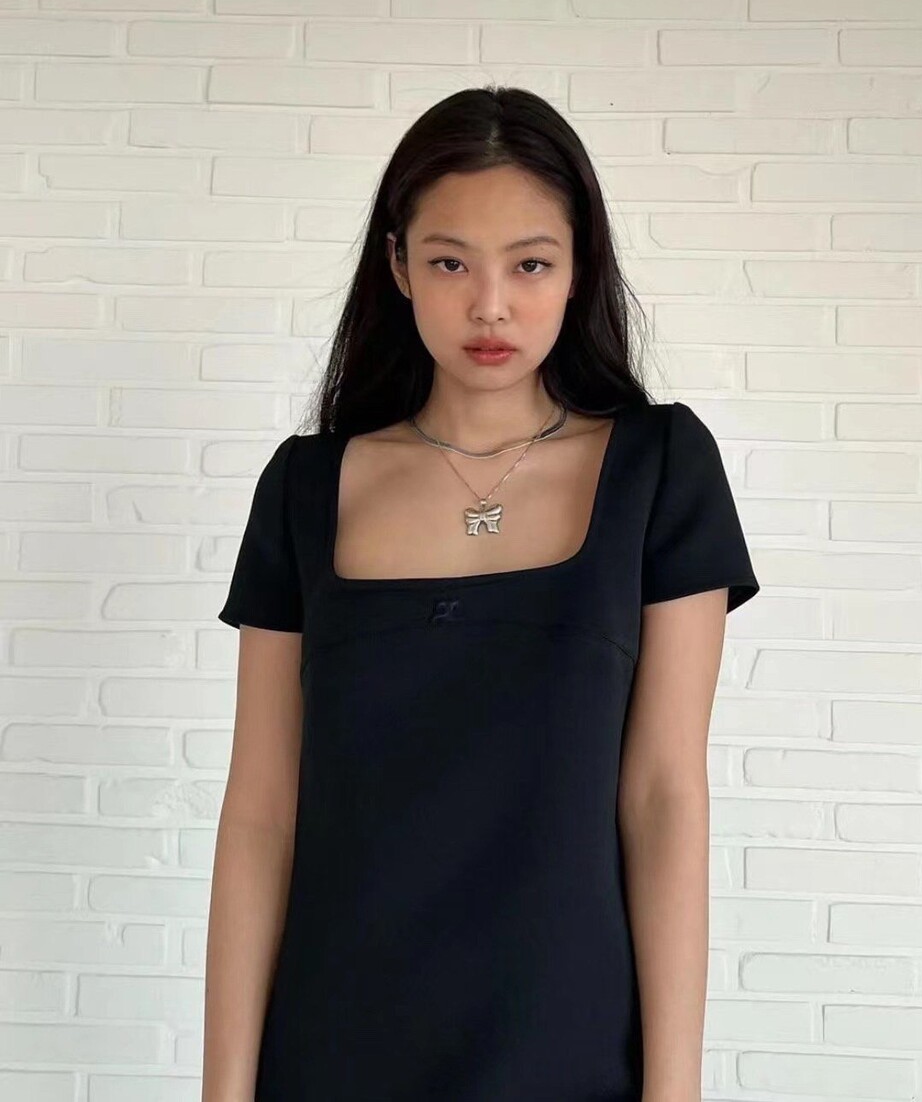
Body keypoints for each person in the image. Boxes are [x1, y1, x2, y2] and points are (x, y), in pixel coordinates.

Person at [202, 85, 760, 1102]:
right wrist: (223, 1092)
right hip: (335, 1049)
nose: (490, 305)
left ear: (579, 268)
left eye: (530, 264)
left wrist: (674, 1088)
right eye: (450, 262)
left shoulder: (659, 470)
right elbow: (261, 815)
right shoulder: (305, 489)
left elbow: (664, 797)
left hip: (569, 1052)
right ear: (398, 266)